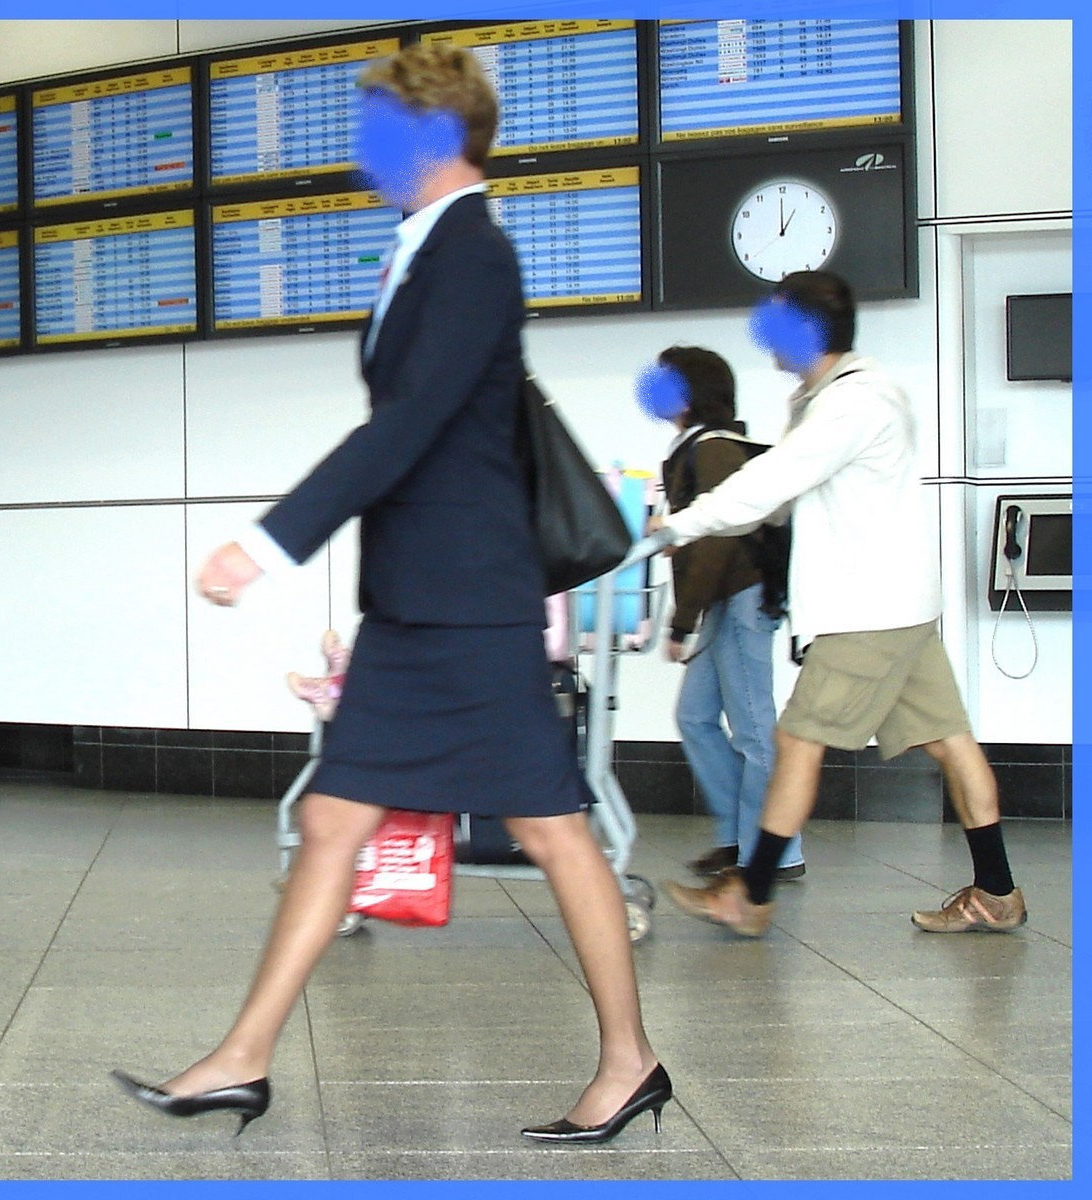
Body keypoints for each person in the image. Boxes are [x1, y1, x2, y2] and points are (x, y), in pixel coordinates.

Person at [113, 42, 668, 1145]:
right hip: (422, 606)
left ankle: (629, 1061)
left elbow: (406, 427)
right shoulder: (420, 251)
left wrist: (270, 543)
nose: (359, 152)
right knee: (330, 819)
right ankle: (242, 1057)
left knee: (554, 831)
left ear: (434, 135)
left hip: (468, 605)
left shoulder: (472, 255)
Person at [644, 270, 1025, 937]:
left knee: (798, 739)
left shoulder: (851, 404)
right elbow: (792, 494)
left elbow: (773, 481)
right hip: (898, 604)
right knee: (949, 741)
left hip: (867, 611)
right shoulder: (840, 395)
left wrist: (680, 525)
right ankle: (997, 890)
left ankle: (751, 894)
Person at [644, 346, 804, 883]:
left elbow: (715, 542)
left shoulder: (711, 449)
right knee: (694, 717)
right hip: (724, 600)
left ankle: (775, 852)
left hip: (738, 598)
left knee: (755, 729)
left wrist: (680, 622)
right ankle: (739, 839)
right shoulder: (697, 446)